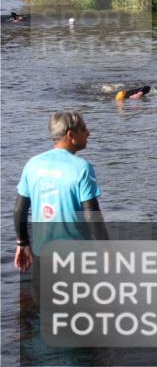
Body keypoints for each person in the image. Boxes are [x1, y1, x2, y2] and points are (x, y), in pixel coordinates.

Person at [13, 112, 109, 277]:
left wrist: (22, 243)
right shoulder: (82, 168)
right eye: (83, 129)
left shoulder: (32, 164)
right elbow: (92, 216)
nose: (88, 133)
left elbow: (19, 210)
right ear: (71, 135)